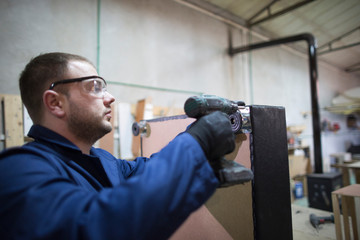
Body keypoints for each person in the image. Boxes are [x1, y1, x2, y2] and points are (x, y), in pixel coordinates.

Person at [0, 52, 235, 239]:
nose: (110, 97)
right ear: (55, 103)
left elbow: (152, 172)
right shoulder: (19, 170)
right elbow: (96, 228)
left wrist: (200, 139)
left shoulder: (105, 162)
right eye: (94, 86)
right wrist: (198, 143)